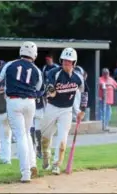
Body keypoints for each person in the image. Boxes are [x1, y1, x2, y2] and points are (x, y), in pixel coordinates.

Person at [0, 41, 43, 183]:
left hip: (14, 101)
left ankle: (26, 172)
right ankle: (32, 163)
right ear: (34, 54)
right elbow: (39, 88)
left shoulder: (10, 64)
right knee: (27, 133)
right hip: (30, 102)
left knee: (21, 136)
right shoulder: (37, 70)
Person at [40, 47, 87, 175]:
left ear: (74, 63)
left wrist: (82, 109)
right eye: (64, 61)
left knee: (62, 139)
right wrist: (51, 90)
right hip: (52, 107)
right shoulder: (54, 73)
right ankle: (46, 155)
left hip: (66, 110)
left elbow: (85, 92)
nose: (66, 63)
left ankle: (57, 165)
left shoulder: (78, 77)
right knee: (45, 137)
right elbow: (49, 85)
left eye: (69, 61)